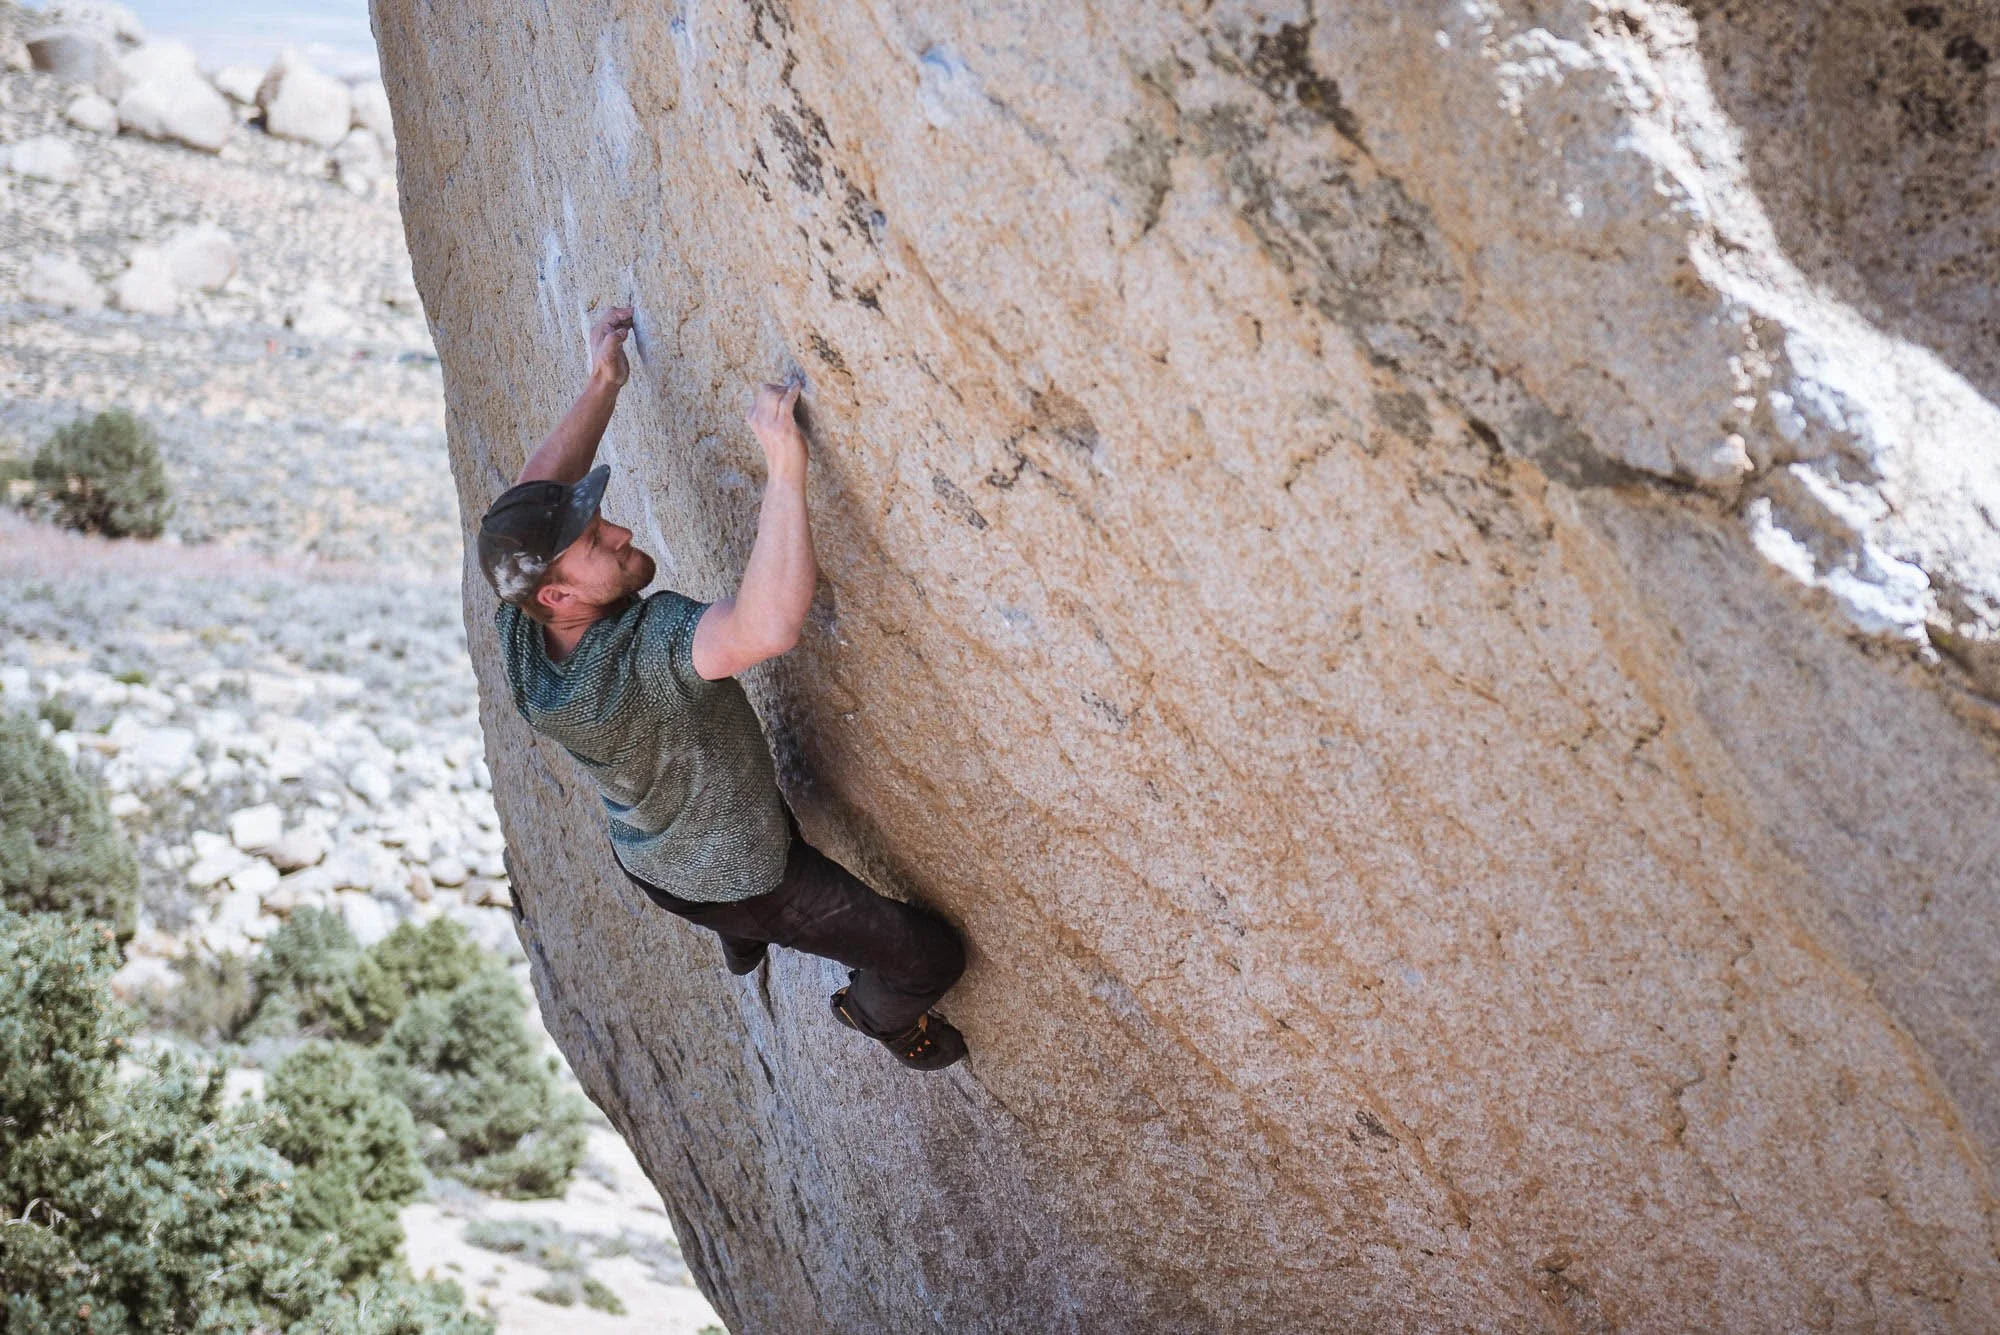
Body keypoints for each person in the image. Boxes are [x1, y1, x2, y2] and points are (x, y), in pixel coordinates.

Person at [474, 305, 967, 1071]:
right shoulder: (641, 658)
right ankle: (878, 1015)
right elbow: (766, 627)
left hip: (653, 852)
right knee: (931, 957)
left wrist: (603, 382)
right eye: (600, 543)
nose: (623, 532)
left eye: (602, 522)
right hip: (746, 874)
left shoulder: (524, 632)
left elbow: (533, 493)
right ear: (558, 599)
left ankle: (740, 939)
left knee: (729, 824)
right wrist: (785, 468)